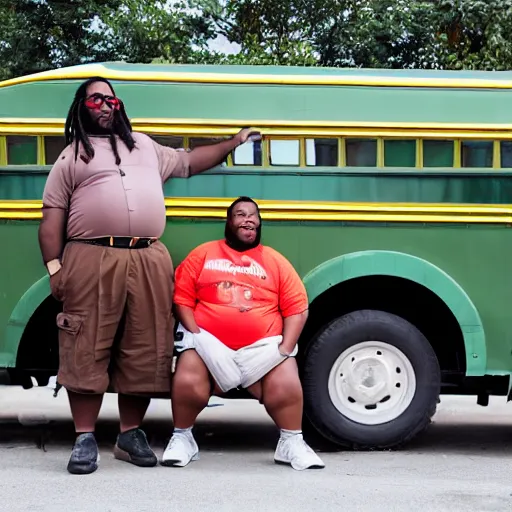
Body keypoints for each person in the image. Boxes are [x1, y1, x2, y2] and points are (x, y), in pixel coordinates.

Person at [38, 76, 258, 475]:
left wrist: (233, 142)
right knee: (84, 345)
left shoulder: (145, 146)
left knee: (145, 347)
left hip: (148, 258)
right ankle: (84, 438)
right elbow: (51, 217)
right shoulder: (72, 155)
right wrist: (55, 268)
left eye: (111, 99)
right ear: (81, 108)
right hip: (90, 257)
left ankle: (129, 435)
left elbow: (190, 162)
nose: (106, 105)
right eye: (95, 100)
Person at [163, 196, 325, 471]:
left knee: (286, 380)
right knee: (188, 376)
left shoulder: (275, 261)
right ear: (228, 222)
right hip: (208, 342)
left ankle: (291, 442)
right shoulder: (204, 254)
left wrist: (284, 350)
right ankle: (182, 438)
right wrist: (197, 336)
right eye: (240, 214)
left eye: (253, 215)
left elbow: (297, 309)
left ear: (260, 223)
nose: (247, 219)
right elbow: (182, 300)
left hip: (264, 347)